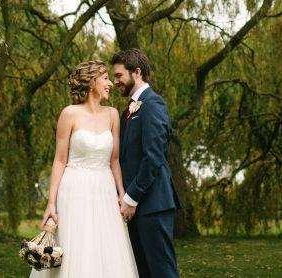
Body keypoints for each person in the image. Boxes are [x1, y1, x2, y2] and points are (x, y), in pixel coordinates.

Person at [32, 60, 138, 277]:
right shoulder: (69, 114)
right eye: (106, 78)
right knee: (76, 248)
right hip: (74, 190)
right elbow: (59, 160)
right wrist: (51, 203)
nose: (110, 83)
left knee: (108, 249)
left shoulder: (112, 115)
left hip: (105, 190)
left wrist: (121, 194)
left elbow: (114, 160)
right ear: (92, 82)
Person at [112, 49, 180, 278]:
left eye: (119, 75)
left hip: (153, 205)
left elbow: (154, 157)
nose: (116, 81)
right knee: (142, 272)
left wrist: (131, 198)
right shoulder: (128, 111)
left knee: (162, 271)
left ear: (136, 72)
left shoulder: (153, 104)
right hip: (135, 208)